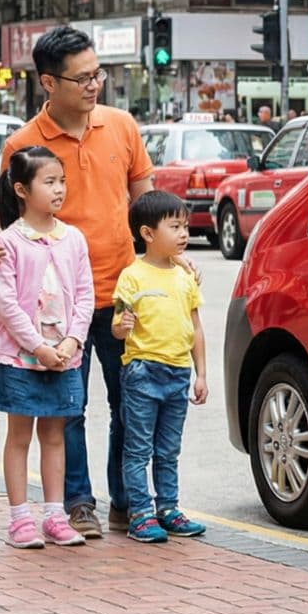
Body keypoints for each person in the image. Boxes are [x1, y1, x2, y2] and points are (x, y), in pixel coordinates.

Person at [0, 27, 158, 541]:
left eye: (98, 74)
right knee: (68, 410)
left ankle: (129, 503)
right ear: (48, 82)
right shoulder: (23, 145)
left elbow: (146, 206)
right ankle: (77, 504)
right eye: (82, 77)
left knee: (132, 403)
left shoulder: (122, 126)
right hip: (58, 310)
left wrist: (170, 258)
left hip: (121, 293)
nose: (94, 85)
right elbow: (4, 219)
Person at [0, 146, 94, 550]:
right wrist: (37, 346)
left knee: (54, 435)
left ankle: (55, 516)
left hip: (64, 355)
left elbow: (85, 295)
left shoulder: (74, 238)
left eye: (61, 181)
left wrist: (71, 340)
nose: (59, 189)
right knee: (19, 436)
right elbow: (7, 303)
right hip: (19, 358)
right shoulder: (8, 241)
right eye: (49, 182)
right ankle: (19, 520)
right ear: (21, 190)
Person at [109, 190, 209, 544]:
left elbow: (196, 328)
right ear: (148, 234)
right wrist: (121, 326)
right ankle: (140, 514)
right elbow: (117, 324)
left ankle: (169, 508)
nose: (184, 234)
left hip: (178, 373)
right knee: (138, 448)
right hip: (142, 372)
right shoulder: (132, 277)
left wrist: (201, 375)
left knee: (169, 449)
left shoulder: (185, 278)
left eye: (185, 226)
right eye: (175, 226)